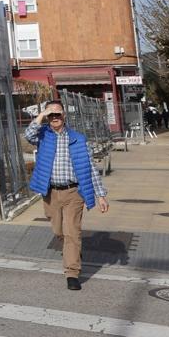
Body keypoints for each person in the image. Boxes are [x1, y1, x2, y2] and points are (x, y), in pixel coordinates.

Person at [26, 101, 109, 290]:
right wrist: (43, 114)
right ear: (47, 116)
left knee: (72, 232)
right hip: (51, 192)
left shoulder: (77, 138)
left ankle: (72, 272)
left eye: (58, 114)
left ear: (65, 116)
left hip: (74, 192)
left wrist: (100, 195)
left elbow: (90, 168)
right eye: (51, 115)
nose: (55, 118)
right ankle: (74, 251)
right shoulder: (42, 135)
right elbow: (28, 134)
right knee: (58, 231)